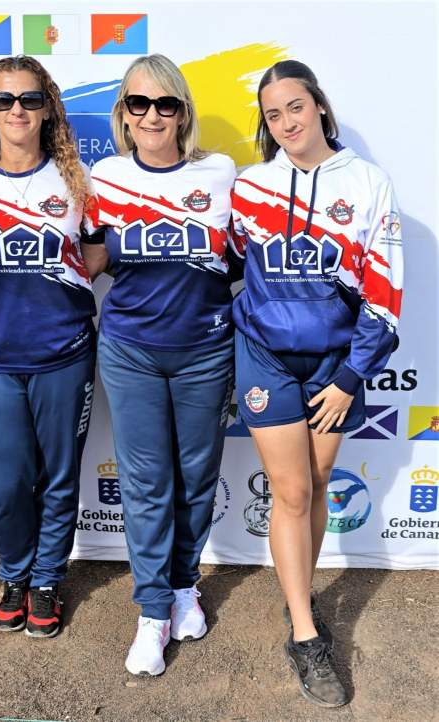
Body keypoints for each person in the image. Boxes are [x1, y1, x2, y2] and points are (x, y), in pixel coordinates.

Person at [230, 60, 403, 707]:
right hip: (265, 358)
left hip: (335, 365)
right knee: (293, 490)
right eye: (273, 114)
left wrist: (352, 376)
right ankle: (305, 634)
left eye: (295, 107)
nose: (286, 123)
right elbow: (223, 263)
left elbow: (385, 287)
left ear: (320, 106)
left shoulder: (367, 183)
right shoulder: (251, 186)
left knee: (320, 482)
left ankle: (298, 595)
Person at [82, 54, 237, 676]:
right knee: (147, 483)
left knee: (196, 479)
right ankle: (152, 612)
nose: (152, 115)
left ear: (182, 112)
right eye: (138, 103)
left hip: (205, 350)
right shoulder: (106, 176)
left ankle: (183, 587)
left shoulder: (220, 173)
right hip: (131, 351)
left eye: (165, 103)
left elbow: (243, 256)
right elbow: (89, 256)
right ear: (123, 113)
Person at [0, 56, 96, 639]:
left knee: (59, 476)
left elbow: (97, 253)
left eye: (30, 99)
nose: (17, 110)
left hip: (64, 353)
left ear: (47, 108)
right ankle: (14, 574)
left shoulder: (77, 180)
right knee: (5, 478)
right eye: (5, 99)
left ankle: (46, 581)